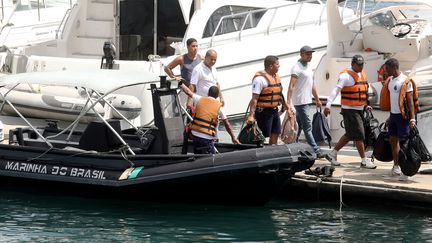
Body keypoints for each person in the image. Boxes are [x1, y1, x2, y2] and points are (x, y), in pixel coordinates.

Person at [324, 55, 376, 169]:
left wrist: (366, 105)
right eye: (358, 64)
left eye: (362, 64)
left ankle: (332, 154)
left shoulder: (361, 74)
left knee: (349, 134)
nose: (361, 67)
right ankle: (363, 160)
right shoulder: (345, 76)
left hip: (359, 109)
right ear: (352, 64)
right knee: (359, 136)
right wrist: (328, 104)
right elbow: (336, 90)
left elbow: (363, 92)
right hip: (349, 110)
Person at [178, 81, 239, 154]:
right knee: (212, 158)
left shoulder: (199, 98)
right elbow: (227, 124)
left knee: (198, 156)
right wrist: (233, 137)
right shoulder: (220, 107)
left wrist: (181, 83)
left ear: (208, 94)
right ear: (217, 97)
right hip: (206, 138)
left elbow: (188, 92)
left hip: (195, 135)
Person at [381, 58, 417, 181]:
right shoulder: (390, 80)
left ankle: (406, 171)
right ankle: (396, 167)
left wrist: (412, 119)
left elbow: (410, 102)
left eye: (387, 68)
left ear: (394, 68)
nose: (385, 71)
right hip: (394, 116)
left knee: (404, 144)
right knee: (392, 140)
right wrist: (390, 117)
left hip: (403, 117)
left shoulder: (405, 81)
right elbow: (393, 101)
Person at [286, 45, 324, 158]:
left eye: (311, 54)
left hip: (307, 101)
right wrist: (288, 103)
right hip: (300, 102)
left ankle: (293, 145)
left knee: (301, 126)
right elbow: (291, 86)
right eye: (307, 54)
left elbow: (312, 85)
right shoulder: (297, 68)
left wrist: (317, 99)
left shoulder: (308, 67)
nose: (310, 56)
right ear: (301, 54)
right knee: (307, 127)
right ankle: (316, 150)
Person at [247, 55, 287, 145]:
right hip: (263, 112)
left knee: (276, 132)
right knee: (263, 136)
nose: (279, 66)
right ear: (271, 66)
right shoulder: (259, 80)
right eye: (277, 64)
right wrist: (251, 115)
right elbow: (254, 99)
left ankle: (272, 151)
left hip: (274, 111)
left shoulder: (276, 77)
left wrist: (285, 105)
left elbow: (279, 92)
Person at [164, 38, 203, 106]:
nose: (195, 48)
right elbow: (167, 68)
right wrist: (174, 77)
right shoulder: (181, 59)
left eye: (196, 46)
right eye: (193, 46)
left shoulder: (201, 58)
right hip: (185, 91)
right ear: (187, 47)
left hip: (199, 91)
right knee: (187, 111)